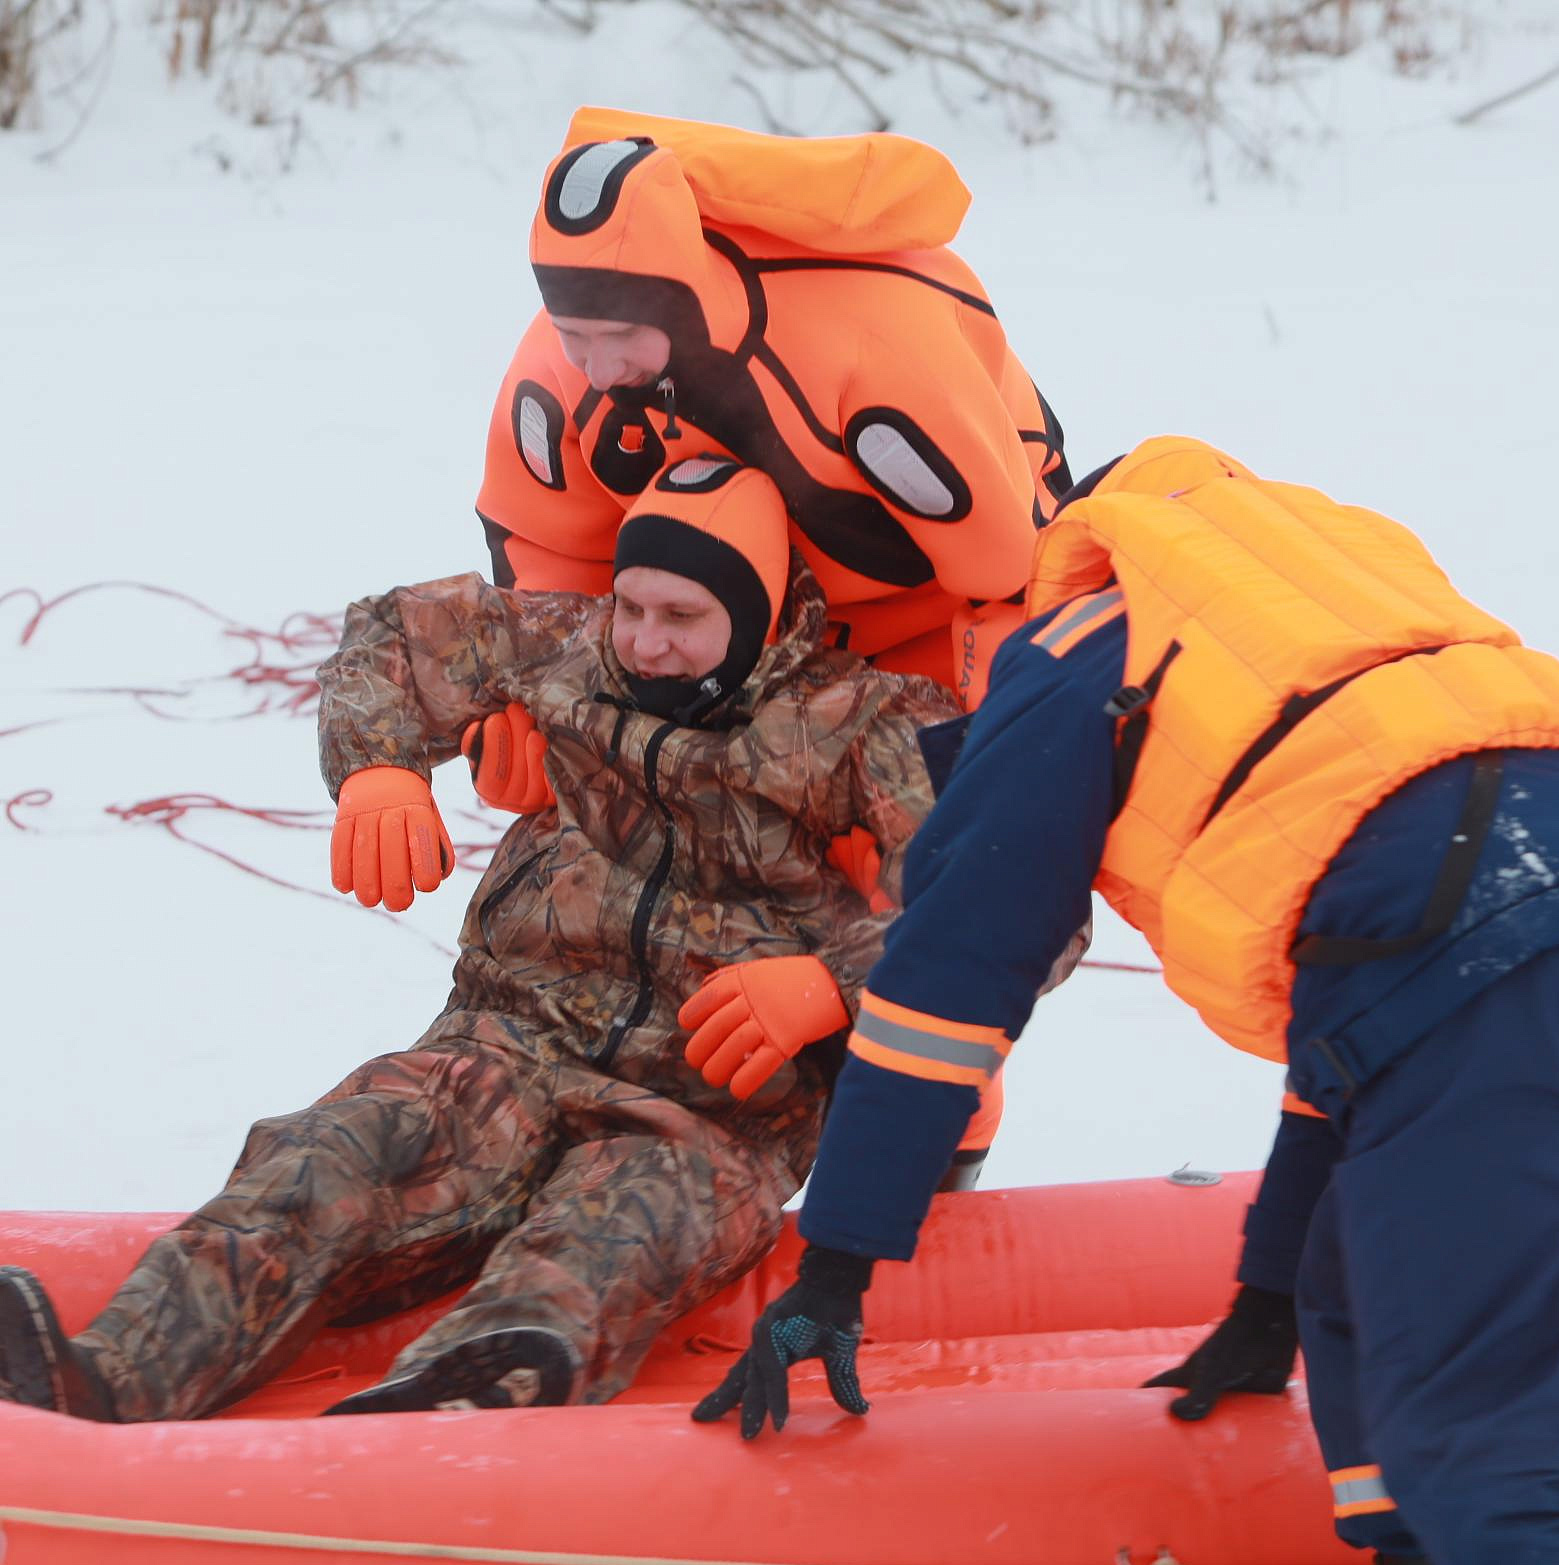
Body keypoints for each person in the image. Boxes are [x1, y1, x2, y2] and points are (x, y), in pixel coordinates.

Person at [693, 436, 1559, 1565]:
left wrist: (834, 1266)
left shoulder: (1092, 633)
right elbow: (1364, 1046)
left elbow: (950, 975)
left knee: (1473, 1415)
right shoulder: (1338, 600)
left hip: (1475, 936)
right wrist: (1269, 1296)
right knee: (1360, 1282)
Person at [0, 457, 961, 1422]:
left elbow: (998, 899)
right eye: (632, 606)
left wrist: (837, 981)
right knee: (330, 1155)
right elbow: (391, 630)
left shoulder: (859, 721)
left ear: (750, 615)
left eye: (683, 618)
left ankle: (446, 1418)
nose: (645, 641)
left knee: (612, 1239)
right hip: (508, 1041)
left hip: (707, 1101)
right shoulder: (572, 647)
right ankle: (106, 1382)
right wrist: (378, 765)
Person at [462, 110, 1072, 817]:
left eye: (625, 335)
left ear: (683, 299)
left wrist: (988, 754)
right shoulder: (555, 378)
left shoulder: (878, 359)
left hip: (929, 603)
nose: (599, 366)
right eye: (574, 335)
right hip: (724, 626)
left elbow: (1008, 585)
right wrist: (553, 708)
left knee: (939, 826)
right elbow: (545, 550)